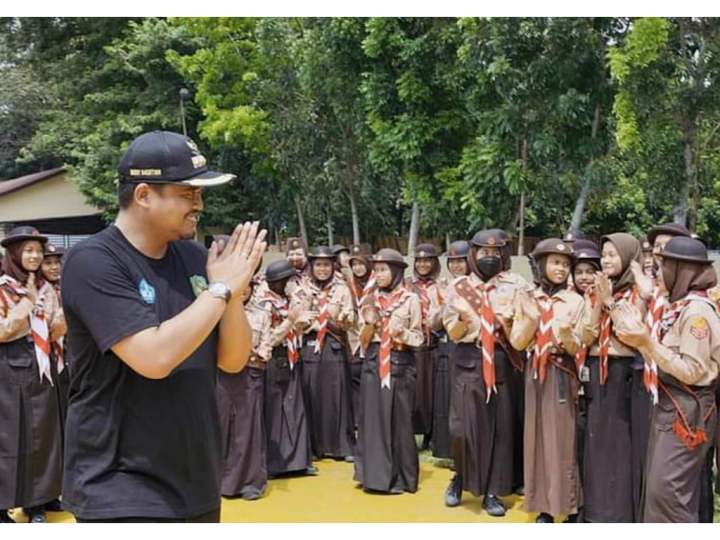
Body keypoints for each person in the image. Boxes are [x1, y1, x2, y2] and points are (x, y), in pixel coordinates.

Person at [60, 131, 267, 524]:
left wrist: (235, 295)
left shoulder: (192, 257)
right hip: (121, 487)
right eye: (188, 193)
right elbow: (153, 358)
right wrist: (221, 290)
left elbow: (233, 360)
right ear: (143, 195)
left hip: (195, 480)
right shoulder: (94, 262)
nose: (199, 205)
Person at [616, 237, 720, 524]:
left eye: (663, 267)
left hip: (688, 409)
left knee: (670, 494)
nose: (657, 274)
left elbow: (692, 371)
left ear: (681, 270)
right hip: (671, 404)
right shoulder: (679, 306)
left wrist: (647, 342)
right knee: (658, 491)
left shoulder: (697, 313)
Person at [0, 227, 65, 525]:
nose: (35, 256)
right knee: (8, 436)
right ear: (13, 253)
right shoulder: (3, 286)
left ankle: (37, 502)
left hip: (41, 364)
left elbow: (57, 325)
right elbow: (2, 331)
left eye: (38, 251)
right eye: (28, 250)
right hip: (7, 365)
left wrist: (52, 320)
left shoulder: (45, 286)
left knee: (42, 433)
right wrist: (27, 306)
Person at [354, 249, 423, 494]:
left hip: (400, 362)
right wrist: (371, 324)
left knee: (399, 421)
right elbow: (361, 340)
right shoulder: (368, 299)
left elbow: (419, 338)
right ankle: (373, 476)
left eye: (384, 270)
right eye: (377, 270)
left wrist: (400, 332)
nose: (379, 275)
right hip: (373, 361)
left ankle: (400, 478)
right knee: (372, 420)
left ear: (396, 272)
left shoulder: (409, 299)